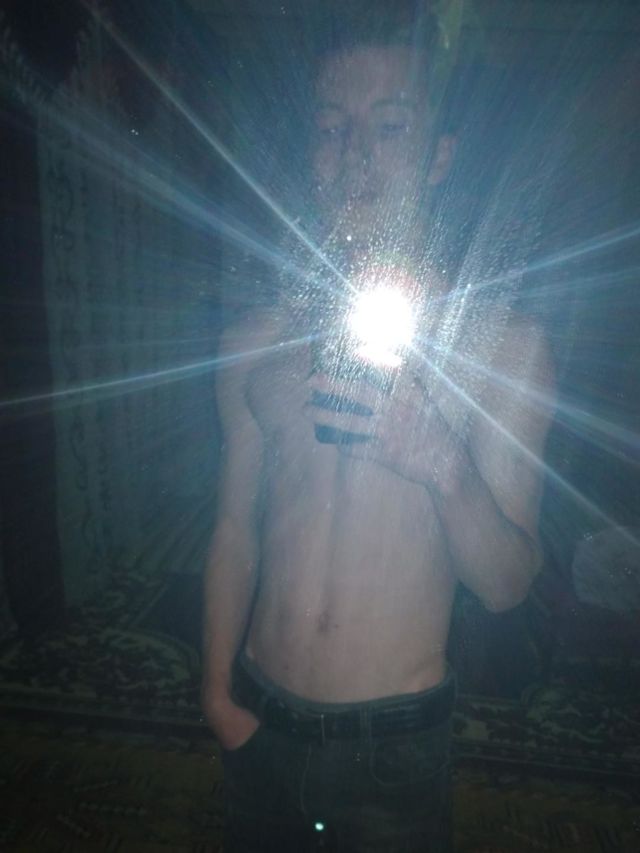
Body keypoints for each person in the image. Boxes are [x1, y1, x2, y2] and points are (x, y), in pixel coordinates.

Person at [202, 15, 555, 853]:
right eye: (332, 127)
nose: (357, 153)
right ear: (312, 151)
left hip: (395, 752)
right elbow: (233, 530)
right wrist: (216, 696)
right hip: (259, 720)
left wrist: (441, 462)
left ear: (438, 155)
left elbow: (508, 584)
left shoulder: (505, 348)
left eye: (391, 126)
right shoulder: (252, 342)